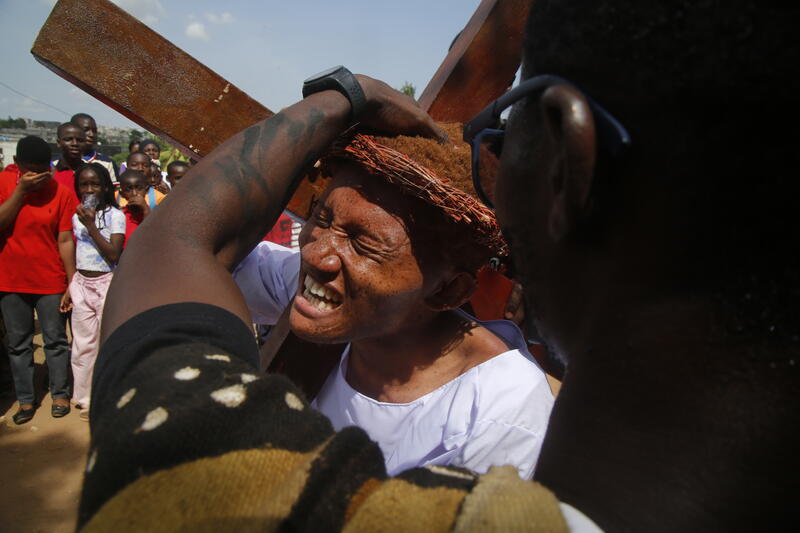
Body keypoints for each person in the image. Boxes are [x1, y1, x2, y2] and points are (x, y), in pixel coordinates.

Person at [80, 2, 797, 531]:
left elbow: (173, 251)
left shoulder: (499, 417)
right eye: (320, 220)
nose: (321, 254)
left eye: (503, 129)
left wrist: (346, 95)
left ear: (562, 162)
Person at [233, 122, 552, 477]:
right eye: (322, 219)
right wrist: (337, 105)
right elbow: (189, 248)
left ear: (447, 291)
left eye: (363, 245)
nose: (317, 254)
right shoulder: (322, 288)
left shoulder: (502, 408)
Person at [0, 136, 76, 424]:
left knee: (56, 340)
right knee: (18, 343)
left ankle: (60, 393)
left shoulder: (61, 192)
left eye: (43, 169)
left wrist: (71, 282)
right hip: (10, 281)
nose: (37, 175)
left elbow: (65, 238)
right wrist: (20, 191)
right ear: (18, 166)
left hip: (49, 280)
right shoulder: (4, 184)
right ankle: (26, 400)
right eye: (30, 169)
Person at [64, 163, 125, 421]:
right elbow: (73, 248)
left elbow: (113, 254)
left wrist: (91, 225)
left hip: (105, 283)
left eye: (95, 184)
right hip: (82, 283)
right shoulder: (75, 215)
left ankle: (105, 396)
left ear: (105, 187)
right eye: (84, 184)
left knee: (105, 342)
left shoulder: (114, 215)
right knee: (82, 345)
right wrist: (71, 284)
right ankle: (85, 396)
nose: (89, 189)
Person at [71, 113, 119, 182]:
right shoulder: (57, 164)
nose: (91, 134)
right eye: (86, 130)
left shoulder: (108, 163)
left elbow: (114, 191)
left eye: (94, 131)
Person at [116, 169, 152, 247]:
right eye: (128, 189)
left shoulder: (157, 213)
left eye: (139, 188)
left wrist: (145, 209)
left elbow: (153, 237)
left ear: (147, 190)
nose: (134, 193)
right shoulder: (119, 217)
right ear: (122, 194)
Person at [52, 122, 84, 202]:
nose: (75, 143)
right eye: (68, 139)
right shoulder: (51, 175)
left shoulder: (93, 173)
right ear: (59, 143)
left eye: (80, 140)